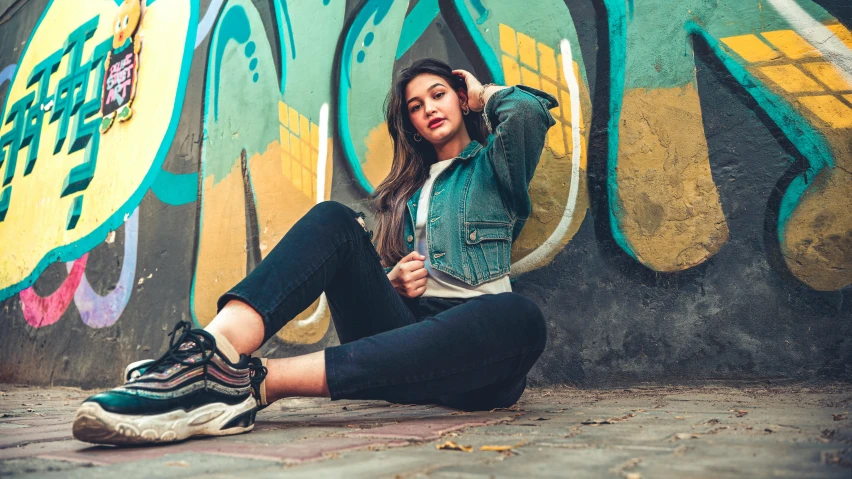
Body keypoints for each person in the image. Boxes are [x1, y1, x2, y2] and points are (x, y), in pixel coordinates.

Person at [72, 58, 558, 445]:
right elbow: (383, 292)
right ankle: (211, 356)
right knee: (334, 218)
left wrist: (483, 94)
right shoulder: (405, 197)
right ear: (409, 124)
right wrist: (391, 283)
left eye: (439, 94)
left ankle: (253, 383)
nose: (429, 108)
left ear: (460, 98)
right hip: (403, 343)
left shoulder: (494, 169)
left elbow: (530, 114)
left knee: (521, 316)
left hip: (478, 351)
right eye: (414, 105)